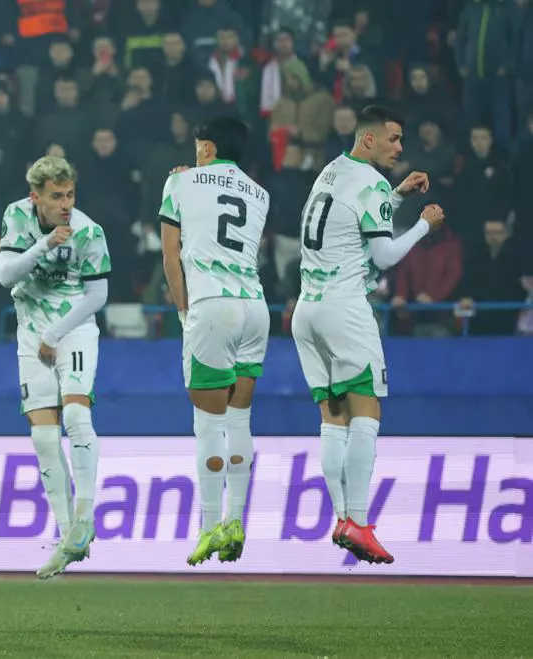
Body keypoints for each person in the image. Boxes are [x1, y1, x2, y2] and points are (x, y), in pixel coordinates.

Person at [290, 106, 444, 564]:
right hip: (345, 308)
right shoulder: (371, 183)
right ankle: (358, 520)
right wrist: (424, 224)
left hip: (307, 310)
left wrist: (395, 196)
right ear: (370, 139)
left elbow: (349, 220)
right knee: (366, 412)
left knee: (333, 418)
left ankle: (342, 519)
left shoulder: (332, 172)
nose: (400, 147)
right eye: (393, 139)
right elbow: (385, 255)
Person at [158, 117, 270, 566]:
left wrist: (184, 312)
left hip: (211, 305)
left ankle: (208, 528)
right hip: (255, 308)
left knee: (208, 423)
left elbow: (171, 256)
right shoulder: (260, 193)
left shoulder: (179, 183)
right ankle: (235, 520)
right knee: (240, 421)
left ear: (206, 147)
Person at [0, 156, 110, 579]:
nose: (66, 204)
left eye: (70, 195)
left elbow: (97, 296)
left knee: (77, 416)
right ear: (36, 198)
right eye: (57, 196)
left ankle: (84, 517)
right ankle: (67, 540)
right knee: (44, 438)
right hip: (30, 333)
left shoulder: (89, 231)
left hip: (73, 329)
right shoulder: (16, 216)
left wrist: (56, 334)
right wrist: (44, 245)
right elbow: (6, 275)